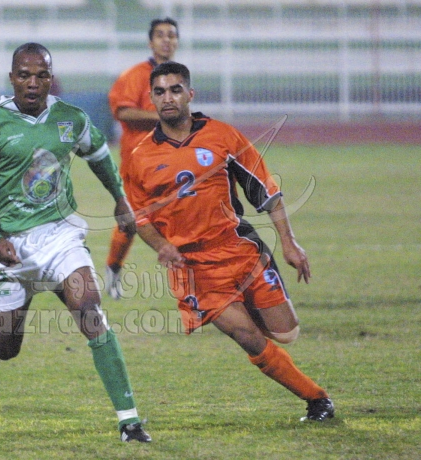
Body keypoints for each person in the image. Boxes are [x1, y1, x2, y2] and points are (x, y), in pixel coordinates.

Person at [0, 42, 151, 443]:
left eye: (41, 75)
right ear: (12, 79)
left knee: (91, 311)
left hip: (60, 235)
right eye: (24, 75)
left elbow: (98, 152)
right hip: (9, 245)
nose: (33, 83)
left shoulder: (70, 119)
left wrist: (119, 198)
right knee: (4, 349)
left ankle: (130, 422)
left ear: (50, 79)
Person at [124, 61, 335, 422]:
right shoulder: (140, 156)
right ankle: (317, 399)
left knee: (286, 332)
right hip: (195, 268)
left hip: (240, 250)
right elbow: (139, 217)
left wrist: (289, 243)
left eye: (175, 90)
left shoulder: (222, 136)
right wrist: (162, 245)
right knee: (246, 336)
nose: (167, 98)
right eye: (159, 92)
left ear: (190, 94)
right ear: (152, 99)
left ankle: (250, 311)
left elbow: (265, 190)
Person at [105, 17, 179, 300]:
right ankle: (113, 268)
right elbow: (122, 111)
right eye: (160, 35)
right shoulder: (135, 75)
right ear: (150, 42)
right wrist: (160, 116)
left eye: (171, 35)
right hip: (138, 161)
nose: (166, 40)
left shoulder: (179, 78)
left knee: (181, 215)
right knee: (132, 220)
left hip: (171, 160)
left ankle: (190, 278)